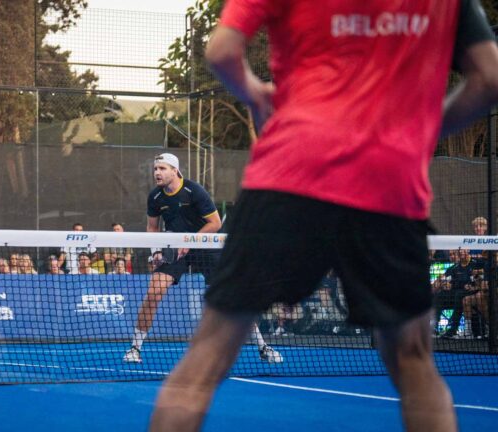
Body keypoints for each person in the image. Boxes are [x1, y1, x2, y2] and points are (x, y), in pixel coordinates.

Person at [150, 1, 498, 430]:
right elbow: (490, 76)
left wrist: (255, 92)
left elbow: (221, 51)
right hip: (388, 187)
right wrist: (418, 129)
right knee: (415, 365)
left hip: (288, 176)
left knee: (205, 358)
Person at [124, 153, 281, 364]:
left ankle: (263, 346)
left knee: (232, 294)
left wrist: (190, 241)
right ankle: (135, 348)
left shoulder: (194, 191)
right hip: (175, 247)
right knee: (154, 292)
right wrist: (156, 252)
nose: (157, 173)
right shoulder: (155, 197)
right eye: (155, 169)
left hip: (206, 244)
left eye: (162, 168)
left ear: (175, 171)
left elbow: (215, 223)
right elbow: (152, 228)